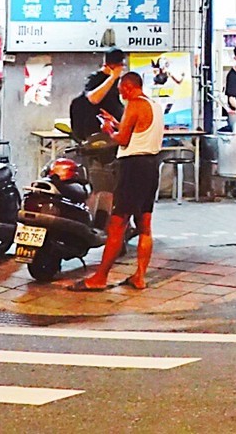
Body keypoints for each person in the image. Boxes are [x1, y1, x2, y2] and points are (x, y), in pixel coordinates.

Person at [71, 72, 160, 292]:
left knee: (117, 223)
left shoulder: (134, 104)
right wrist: (117, 122)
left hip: (134, 167)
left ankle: (99, 277)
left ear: (129, 88)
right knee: (145, 225)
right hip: (151, 165)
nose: (120, 94)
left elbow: (123, 139)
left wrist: (109, 129)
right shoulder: (154, 105)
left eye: (121, 90)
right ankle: (139, 276)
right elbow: (137, 129)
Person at [69, 48, 126, 140]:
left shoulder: (117, 81)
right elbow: (93, 99)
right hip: (95, 128)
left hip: (114, 126)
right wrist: (112, 78)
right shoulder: (94, 79)